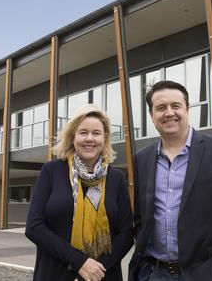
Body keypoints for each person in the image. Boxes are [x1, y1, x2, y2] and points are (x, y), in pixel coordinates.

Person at [129, 80, 212, 281]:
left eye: (175, 106)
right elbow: (141, 217)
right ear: (152, 116)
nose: (169, 112)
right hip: (153, 273)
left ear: (187, 109)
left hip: (204, 273)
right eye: (161, 108)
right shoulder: (141, 159)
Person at [26, 104, 134, 281]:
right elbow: (34, 227)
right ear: (72, 137)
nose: (89, 139)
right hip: (55, 274)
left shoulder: (116, 178)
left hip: (102, 275)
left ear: (104, 138)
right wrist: (80, 263)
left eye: (96, 133)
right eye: (83, 132)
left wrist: (96, 270)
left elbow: (127, 233)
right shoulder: (51, 171)